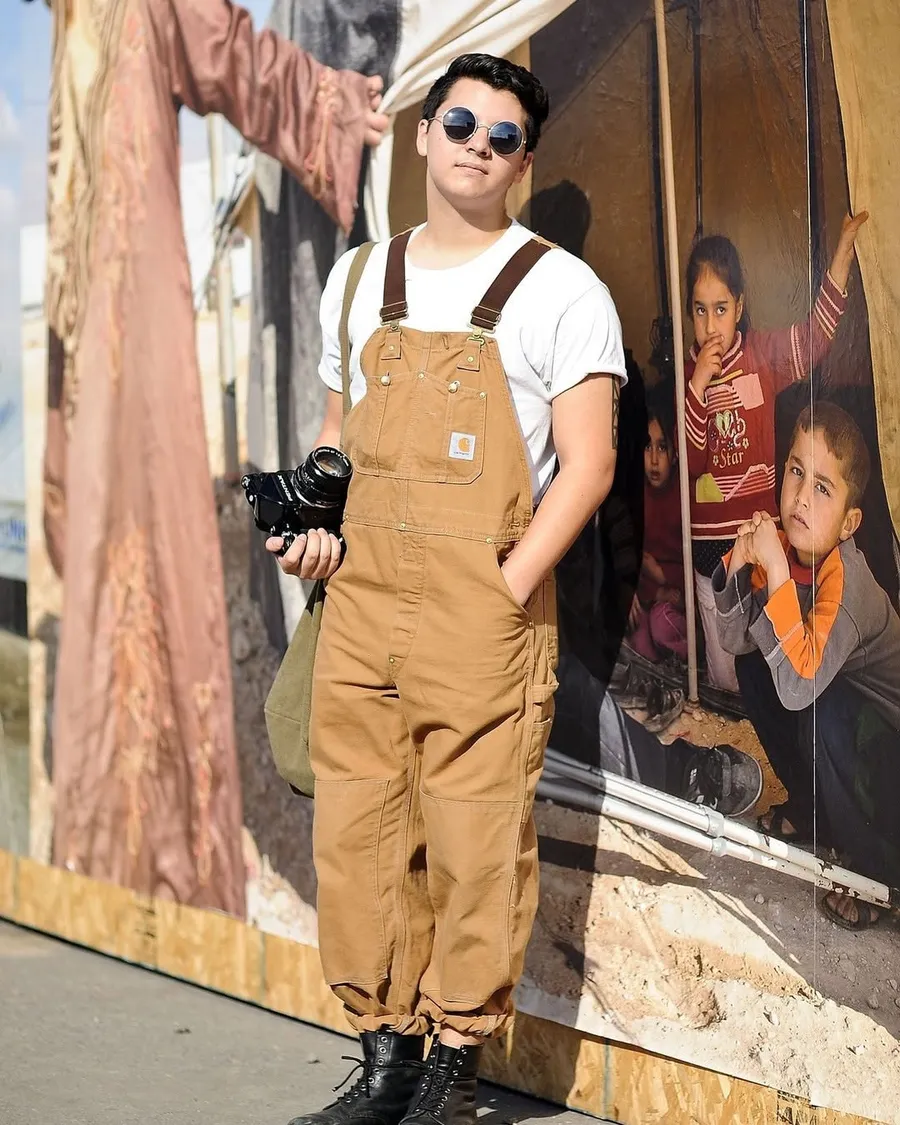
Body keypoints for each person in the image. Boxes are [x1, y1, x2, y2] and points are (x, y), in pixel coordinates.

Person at [269, 52, 626, 1125]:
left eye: (503, 135)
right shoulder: (357, 279)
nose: (478, 144)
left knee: (474, 844)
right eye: (460, 123)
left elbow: (591, 464)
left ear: (524, 161)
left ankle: (450, 1079)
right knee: (361, 834)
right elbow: (338, 441)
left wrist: (508, 583)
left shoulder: (560, 288)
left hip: (483, 611)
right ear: (424, 134)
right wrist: (310, 535)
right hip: (362, 604)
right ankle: (383, 1064)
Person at [43, 0, 388, 916]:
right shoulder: (73, 26)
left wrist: (333, 105)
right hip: (96, 362)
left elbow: (224, 48)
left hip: (129, 343)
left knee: (145, 564)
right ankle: (119, 852)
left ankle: (158, 855)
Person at [713, 402, 900, 930]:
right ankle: (815, 812)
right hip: (851, 726)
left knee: (827, 704)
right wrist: (740, 567)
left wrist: (772, 572)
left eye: (823, 487)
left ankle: (877, 874)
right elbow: (734, 642)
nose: (800, 497)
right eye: (796, 471)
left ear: (850, 522)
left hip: (890, 753)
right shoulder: (782, 542)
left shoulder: (848, 588)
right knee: (756, 661)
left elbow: (799, 689)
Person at [683, 215, 867, 692]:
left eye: (720, 309)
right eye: (699, 311)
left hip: (759, 536)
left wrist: (842, 253)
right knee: (724, 669)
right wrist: (698, 386)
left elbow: (814, 340)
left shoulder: (761, 357)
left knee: (767, 659)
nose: (711, 326)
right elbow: (690, 463)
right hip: (708, 548)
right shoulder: (686, 380)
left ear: (739, 306)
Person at [628, 378, 687, 665]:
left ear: (675, 453)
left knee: (662, 624)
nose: (653, 460)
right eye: (647, 447)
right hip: (652, 596)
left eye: (662, 448)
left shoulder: (685, 495)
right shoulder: (634, 495)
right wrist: (652, 590)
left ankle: (692, 663)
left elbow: (694, 568)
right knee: (639, 639)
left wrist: (664, 579)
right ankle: (666, 674)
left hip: (681, 605)